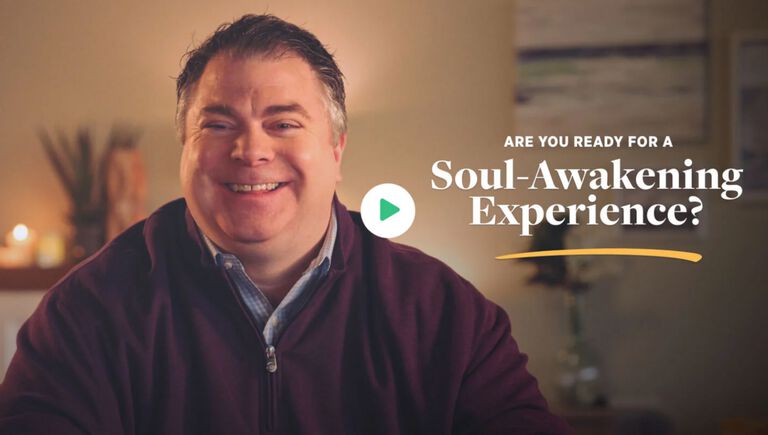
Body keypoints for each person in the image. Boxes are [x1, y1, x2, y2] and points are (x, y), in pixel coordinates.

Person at [0, 14, 570, 435]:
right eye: (219, 124)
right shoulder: (87, 311)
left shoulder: (444, 312)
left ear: (336, 148)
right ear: (185, 146)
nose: (251, 151)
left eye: (284, 123)